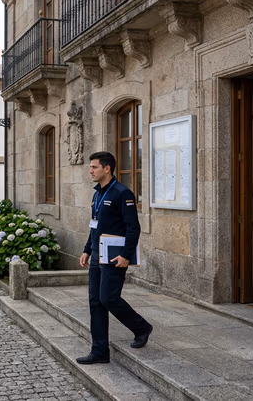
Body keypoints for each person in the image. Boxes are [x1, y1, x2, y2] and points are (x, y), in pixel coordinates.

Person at [76, 151, 153, 365]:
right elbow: (94, 225)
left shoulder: (122, 193)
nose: (90, 171)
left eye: (94, 167)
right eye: (91, 167)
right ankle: (99, 351)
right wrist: (87, 250)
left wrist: (126, 255)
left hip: (114, 256)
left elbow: (133, 228)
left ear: (107, 168)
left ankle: (142, 327)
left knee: (108, 298)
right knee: (95, 302)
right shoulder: (97, 194)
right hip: (96, 256)